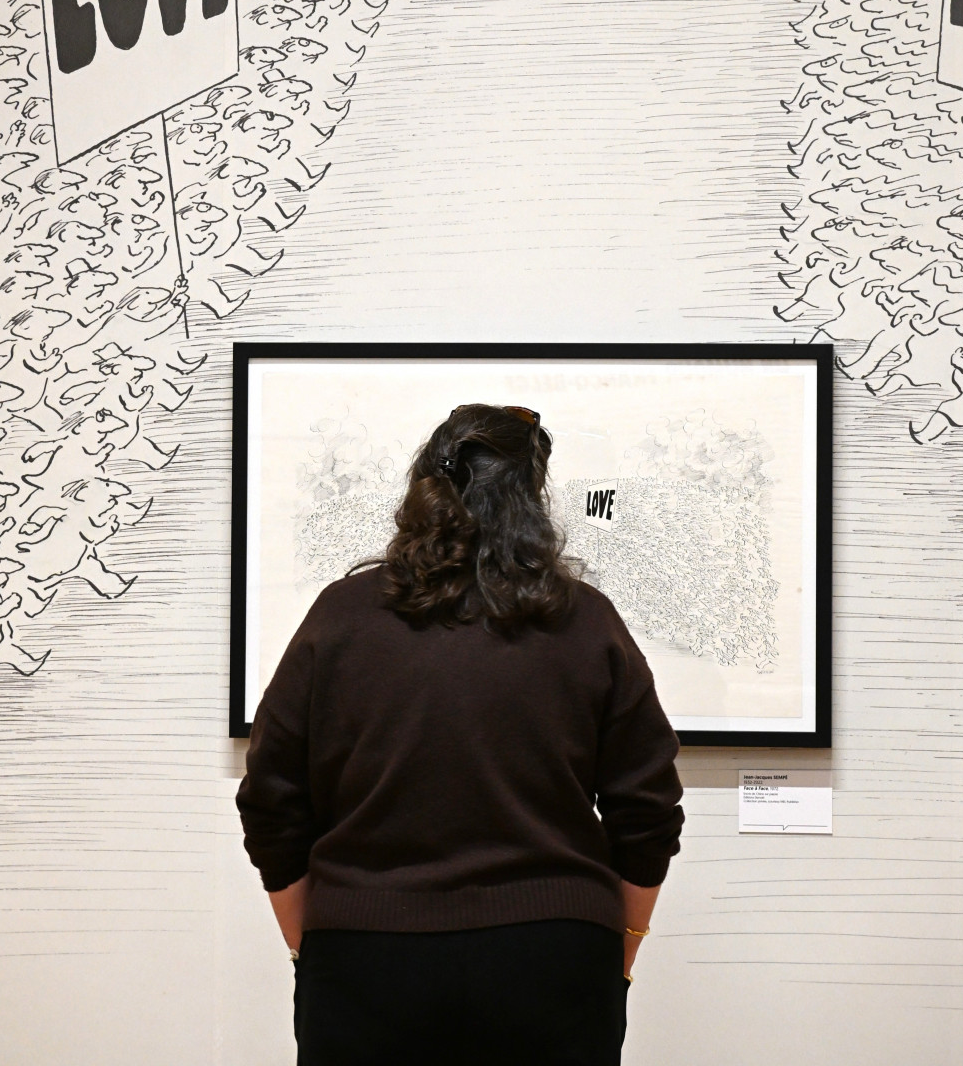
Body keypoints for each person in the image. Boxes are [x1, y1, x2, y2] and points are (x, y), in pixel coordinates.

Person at [237, 402, 684, 1066]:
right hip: (553, 963)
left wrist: (317, 941)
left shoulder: (340, 617)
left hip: (365, 964)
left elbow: (272, 801)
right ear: (532, 501)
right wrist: (622, 944)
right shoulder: (586, 621)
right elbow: (647, 809)